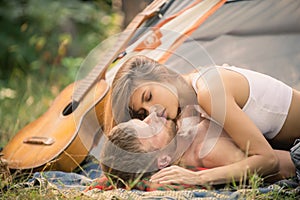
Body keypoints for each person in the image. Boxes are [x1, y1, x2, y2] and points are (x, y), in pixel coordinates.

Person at [103, 55, 300, 185]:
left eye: (148, 97)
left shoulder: (208, 93)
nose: (152, 112)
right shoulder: (190, 104)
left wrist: (198, 177)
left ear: (161, 75)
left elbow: (268, 160)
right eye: (143, 113)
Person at [101, 109, 295, 187]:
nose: (152, 116)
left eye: (143, 119)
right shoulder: (210, 150)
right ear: (163, 160)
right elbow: (288, 165)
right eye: (150, 128)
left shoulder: (183, 127)